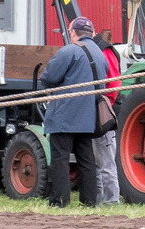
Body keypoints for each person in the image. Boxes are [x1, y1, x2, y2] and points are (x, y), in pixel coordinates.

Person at [37, 16, 108, 208]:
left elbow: (49, 77)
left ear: (73, 33)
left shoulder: (69, 51)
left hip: (64, 117)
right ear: (90, 33)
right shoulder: (101, 54)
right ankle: (89, 202)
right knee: (87, 161)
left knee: (60, 159)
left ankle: (59, 201)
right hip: (88, 118)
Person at [94, 29, 123, 204]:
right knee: (99, 161)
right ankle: (98, 200)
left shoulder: (103, 50)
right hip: (100, 107)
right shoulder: (103, 49)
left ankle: (111, 201)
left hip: (103, 109)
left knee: (105, 161)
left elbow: (113, 82)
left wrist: (105, 105)